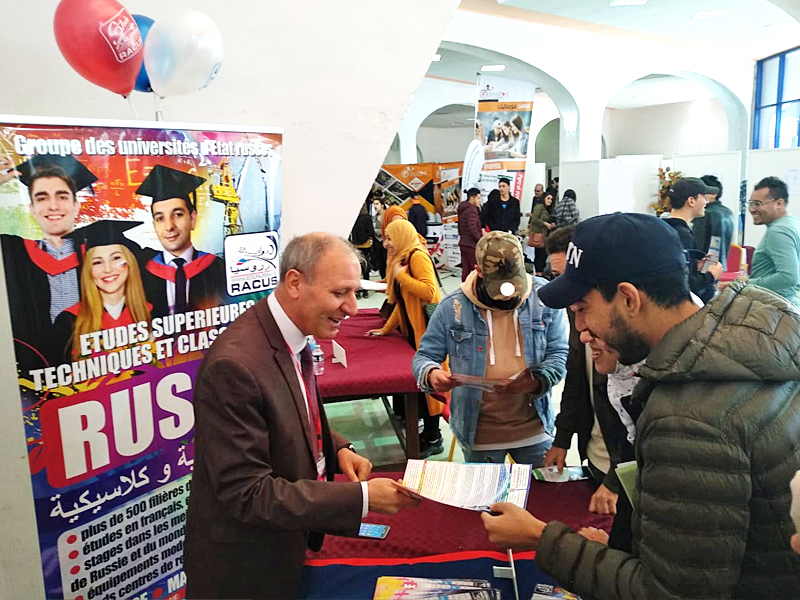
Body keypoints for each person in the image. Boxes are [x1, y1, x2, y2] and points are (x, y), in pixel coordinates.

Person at [481, 213, 800, 600]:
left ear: (629, 299)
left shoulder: (688, 418)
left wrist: (540, 536)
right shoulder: (747, 339)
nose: (581, 330)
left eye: (583, 308)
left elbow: (669, 592)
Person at [184, 233, 419, 600]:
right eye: (340, 293)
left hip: (285, 549)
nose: (353, 308)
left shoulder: (290, 336)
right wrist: (361, 499)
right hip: (245, 573)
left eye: (355, 292)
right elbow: (247, 494)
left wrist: (338, 447)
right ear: (295, 283)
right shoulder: (235, 366)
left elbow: (294, 407)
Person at [412, 231, 568, 465]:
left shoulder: (543, 298)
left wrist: (538, 379)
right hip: (479, 433)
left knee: (541, 499)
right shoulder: (453, 307)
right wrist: (432, 374)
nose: (509, 295)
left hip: (534, 430)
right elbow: (424, 356)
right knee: (486, 501)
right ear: (480, 271)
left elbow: (560, 353)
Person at [0, 154, 98, 369]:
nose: (52, 206)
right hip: (36, 367)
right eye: (42, 198)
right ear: (32, 209)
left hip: (96, 362)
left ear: (76, 205)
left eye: (62, 197)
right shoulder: (13, 251)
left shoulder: (101, 251)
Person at [368, 220, 446, 458]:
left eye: (391, 238)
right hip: (413, 331)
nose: (386, 243)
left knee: (430, 386)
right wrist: (386, 329)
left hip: (427, 333)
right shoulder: (401, 259)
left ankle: (434, 437)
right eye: (386, 237)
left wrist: (402, 277)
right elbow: (402, 305)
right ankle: (426, 432)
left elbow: (430, 292)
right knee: (420, 386)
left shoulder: (416, 257)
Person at [53, 220, 151, 360]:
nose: (108, 269)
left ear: (130, 263)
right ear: (88, 270)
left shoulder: (152, 313)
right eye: (97, 262)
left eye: (116, 258)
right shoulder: (69, 321)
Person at [137, 164, 227, 318]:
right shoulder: (141, 274)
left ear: (192, 219)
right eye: (160, 219)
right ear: (154, 226)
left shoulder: (218, 268)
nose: (169, 226)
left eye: (177, 215)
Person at [663, 176, 723, 303]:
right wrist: (710, 276)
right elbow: (684, 285)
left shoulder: (665, 228)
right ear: (691, 201)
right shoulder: (682, 235)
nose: (706, 201)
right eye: (703, 197)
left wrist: (695, 265)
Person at [745, 176, 800, 305]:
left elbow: (788, 277)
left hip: (775, 308)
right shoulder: (793, 223)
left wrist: (747, 283)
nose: (752, 209)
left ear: (779, 204)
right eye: (751, 203)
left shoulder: (778, 231)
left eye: (757, 204)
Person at [692, 174, 734, 267]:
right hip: (719, 266)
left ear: (714, 194)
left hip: (704, 267)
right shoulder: (728, 212)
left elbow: (698, 246)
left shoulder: (705, 214)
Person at [457, 187, 483, 282]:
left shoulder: (463, 209)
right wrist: (480, 239)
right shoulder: (472, 210)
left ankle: (464, 288)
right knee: (475, 269)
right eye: (478, 198)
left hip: (463, 242)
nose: (480, 201)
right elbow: (472, 228)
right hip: (471, 244)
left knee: (465, 269)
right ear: (472, 198)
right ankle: (473, 290)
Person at [349, 199, 374, 296]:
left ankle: (357, 290)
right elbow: (371, 231)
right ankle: (366, 290)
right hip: (366, 244)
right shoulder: (367, 217)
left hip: (355, 245)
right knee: (366, 266)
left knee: (357, 267)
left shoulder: (353, 218)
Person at [528, 191, 556, 275]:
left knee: (544, 254)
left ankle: (541, 272)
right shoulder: (539, 207)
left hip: (545, 235)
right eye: (548, 198)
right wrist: (544, 223)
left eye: (551, 199)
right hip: (539, 234)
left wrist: (551, 224)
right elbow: (534, 219)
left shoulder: (549, 209)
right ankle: (538, 272)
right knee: (539, 254)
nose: (550, 201)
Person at [371, 197, 387, 279]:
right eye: (374, 204)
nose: (375, 206)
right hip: (377, 243)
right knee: (380, 263)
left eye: (377, 204)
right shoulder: (373, 218)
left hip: (386, 243)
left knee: (387, 262)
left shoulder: (387, 216)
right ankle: (383, 279)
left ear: (382, 205)